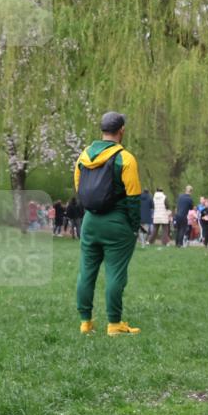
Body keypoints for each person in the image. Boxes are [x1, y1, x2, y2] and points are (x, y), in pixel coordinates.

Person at [74, 111, 143, 336]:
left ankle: (86, 322)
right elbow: (133, 198)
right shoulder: (126, 159)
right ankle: (114, 324)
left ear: (102, 130)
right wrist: (133, 226)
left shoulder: (83, 157)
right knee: (115, 273)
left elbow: (79, 189)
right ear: (121, 130)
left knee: (86, 272)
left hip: (90, 222)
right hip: (117, 223)